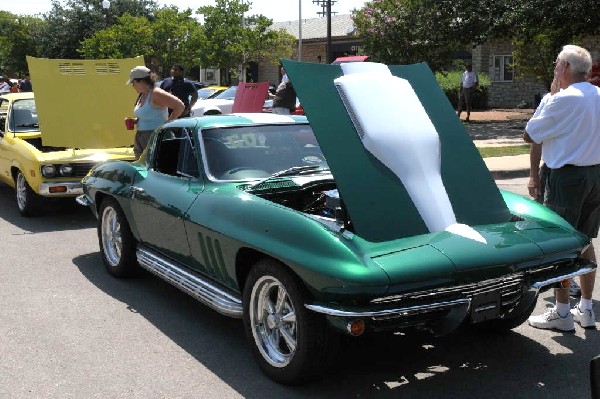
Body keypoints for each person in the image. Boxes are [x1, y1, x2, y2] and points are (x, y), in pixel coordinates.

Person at [524, 44, 600, 331]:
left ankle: (563, 311)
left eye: (557, 63)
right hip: (594, 175)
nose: (555, 68)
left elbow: (529, 134)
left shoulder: (563, 99)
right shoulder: (598, 95)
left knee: (562, 245)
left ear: (565, 68)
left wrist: (549, 98)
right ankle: (587, 308)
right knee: (584, 240)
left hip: (566, 178)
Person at [126, 65, 185, 158]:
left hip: (155, 137)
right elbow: (149, 114)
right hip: (141, 137)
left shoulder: (156, 93)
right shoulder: (143, 95)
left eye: (133, 83)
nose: (133, 86)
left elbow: (180, 106)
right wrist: (135, 120)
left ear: (141, 81)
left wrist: (167, 125)